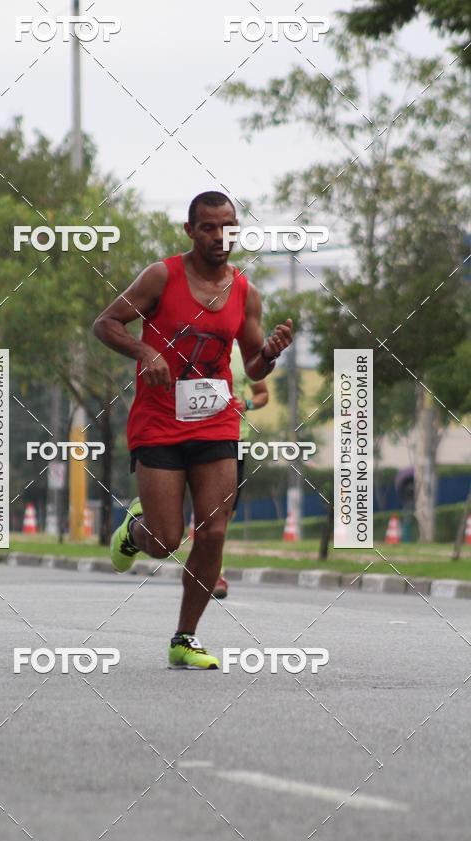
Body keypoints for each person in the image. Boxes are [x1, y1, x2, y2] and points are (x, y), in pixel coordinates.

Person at [93, 192, 291, 669]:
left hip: (216, 418)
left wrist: (272, 352)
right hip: (159, 422)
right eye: (208, 227)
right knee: (165, 541)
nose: (220, 236)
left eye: (228, 226)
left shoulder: (245, 291)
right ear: (190, 230)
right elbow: (105, 323)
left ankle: (185, 636)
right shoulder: (162, 276)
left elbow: (254, 367)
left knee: (214, 532)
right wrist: (145, 353)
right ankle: (133, 529)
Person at [212, 342, 269, 600]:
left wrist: (246, 404)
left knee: (225, 513)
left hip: (236, 441)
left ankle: (208, 567)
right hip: (198, 437)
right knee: (209, 512)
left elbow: (262, 395)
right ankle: (214, 574)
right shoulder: (195, 346)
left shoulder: (243, 355)